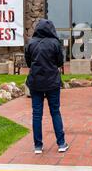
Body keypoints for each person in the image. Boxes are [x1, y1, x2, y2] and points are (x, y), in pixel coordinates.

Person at [25, 19, 69, 155]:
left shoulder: (31, 43)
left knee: (37, 114)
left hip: (35, 82)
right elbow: (60, 62)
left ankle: (38, 146)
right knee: (55, 111)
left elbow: (28, 63)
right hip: (52, 82)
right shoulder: (55, 43)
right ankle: (61, 143)